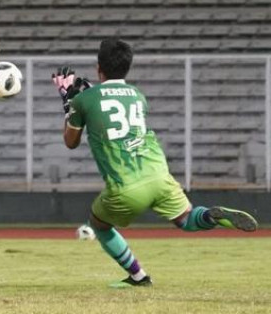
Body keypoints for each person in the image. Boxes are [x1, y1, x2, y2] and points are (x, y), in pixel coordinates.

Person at [53, 38, 258, 288]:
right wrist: (81, 100)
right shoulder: (138, 96)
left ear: (99, 67)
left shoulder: (84, 100)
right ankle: (212, 216)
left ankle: (139, 277)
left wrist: (69, 105)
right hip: (158, 173)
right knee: (186, 218)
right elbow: (109, 105)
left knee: (99, 224)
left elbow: (71, 141)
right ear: (127, 66)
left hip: (126, 184)